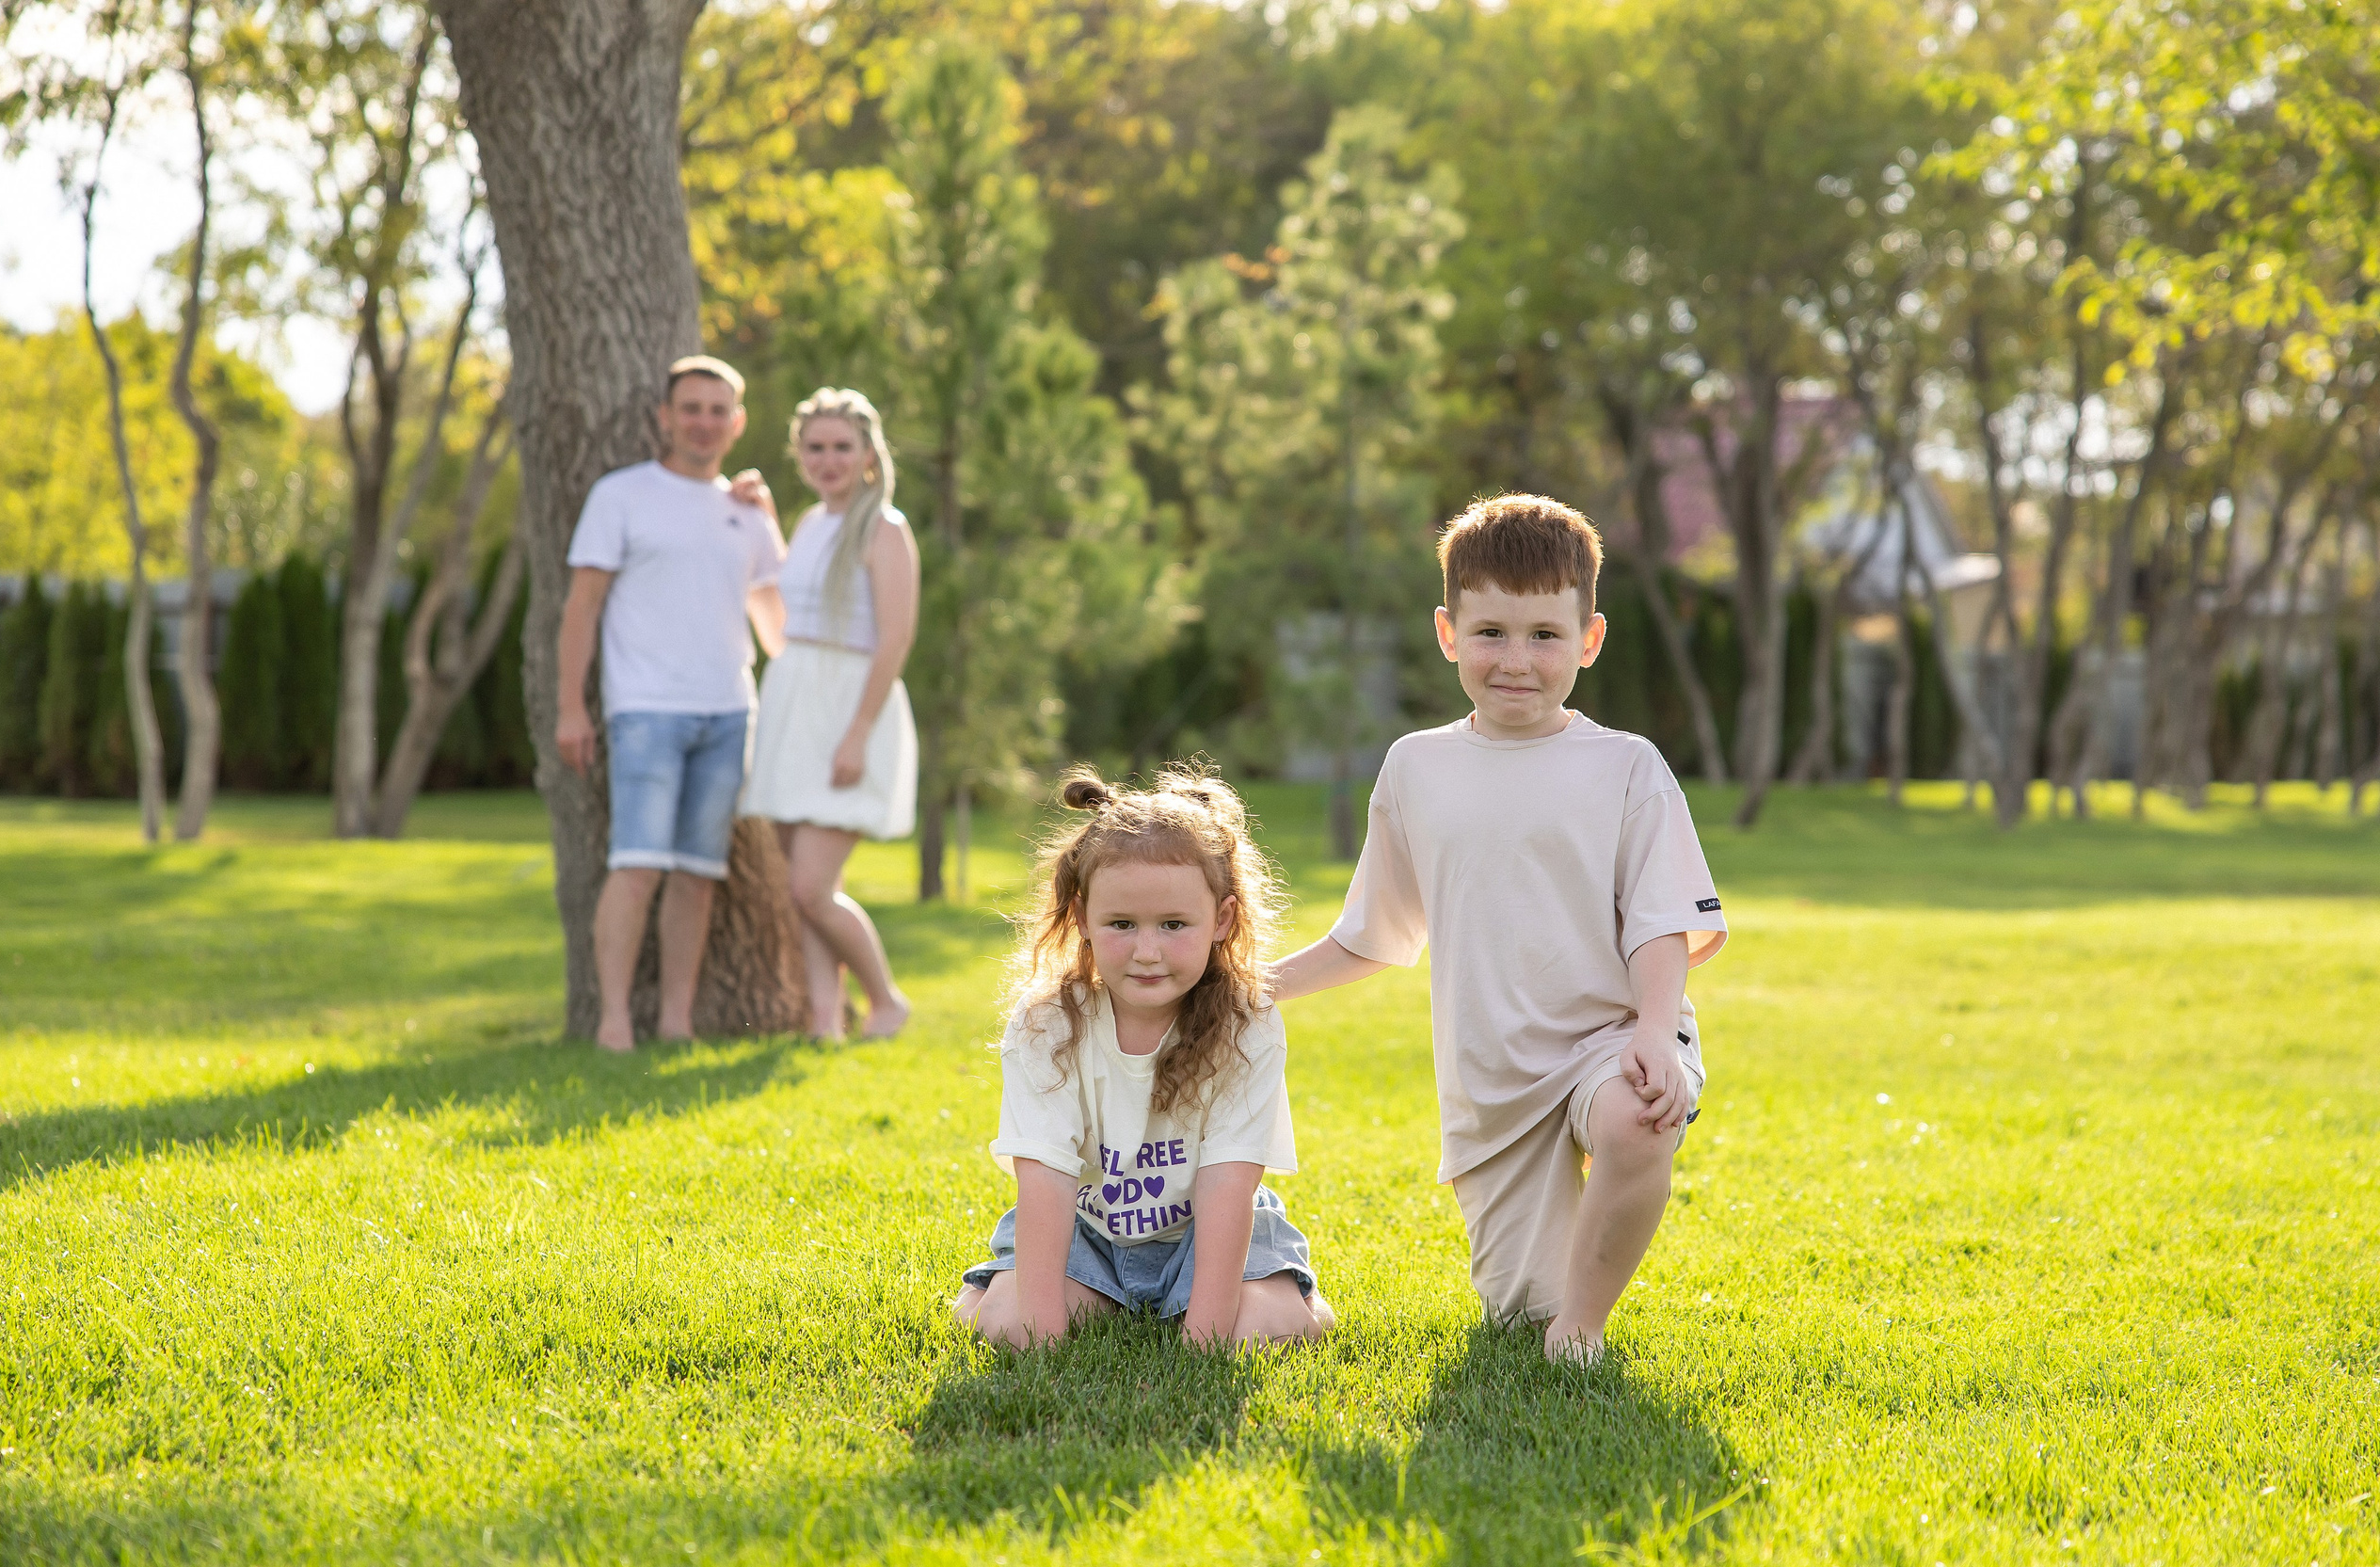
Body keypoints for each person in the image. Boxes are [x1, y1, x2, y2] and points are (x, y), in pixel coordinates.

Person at [1270, 494, 1728, 1364]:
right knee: (1518, 1310)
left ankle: (1580, 1332)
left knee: (1636, 1117)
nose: (1517, 659)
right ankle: (1550, 1305)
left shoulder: (1627, 765)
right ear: (1448, 633)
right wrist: (1251, 987)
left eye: (1545, 635)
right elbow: (1372, 933)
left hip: (1611, 1037)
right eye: (1490, 633)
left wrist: (1654, 1032)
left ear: (1589, 639)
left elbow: (1663, 920)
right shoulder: (1415, 767)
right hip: (1494, 1082)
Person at [952, 768, 1336, 1351]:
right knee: (1010, 1327)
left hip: (1206, 1231)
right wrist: (1040, 1338)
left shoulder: (1246, 1023)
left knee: (1256, 1331)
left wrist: (1204, 1341)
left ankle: (1296, 1300)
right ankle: (996, 1294)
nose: (1148, 952)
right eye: (1122, 925)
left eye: (1174, 925)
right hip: (1088, 1230)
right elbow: (1046, 1181)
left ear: (1222, 920)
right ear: (1082, 918)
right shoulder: (1047, 1024)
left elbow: (1228, 1185)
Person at [556, 355, 786, 1051]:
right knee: (638, 866)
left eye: (718, 410)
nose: (703, 422)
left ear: (737, 423)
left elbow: (777, 633)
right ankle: (613, 1024)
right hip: (644, 710)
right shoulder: (621, 495)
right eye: (691, 408)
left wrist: (772, 523)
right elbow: (582, 606)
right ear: (665, 416)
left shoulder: (747, 513)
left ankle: (676, 1023)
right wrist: (570, 707)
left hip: (729, 713)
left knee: (698, 876)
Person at [735, 388, 918, 1041]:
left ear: (868, 453)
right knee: (802, 887)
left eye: (842, 446)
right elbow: (786, 625)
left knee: (810, 887)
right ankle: (823, 1022)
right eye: (815, 447)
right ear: (800, 453)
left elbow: (895, 638)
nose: (828, 459)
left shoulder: (885, 527)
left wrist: (857, 734)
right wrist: (763, 523)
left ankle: (886, 1000)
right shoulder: (812, 523)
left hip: (850, 711)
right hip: (794, 706)